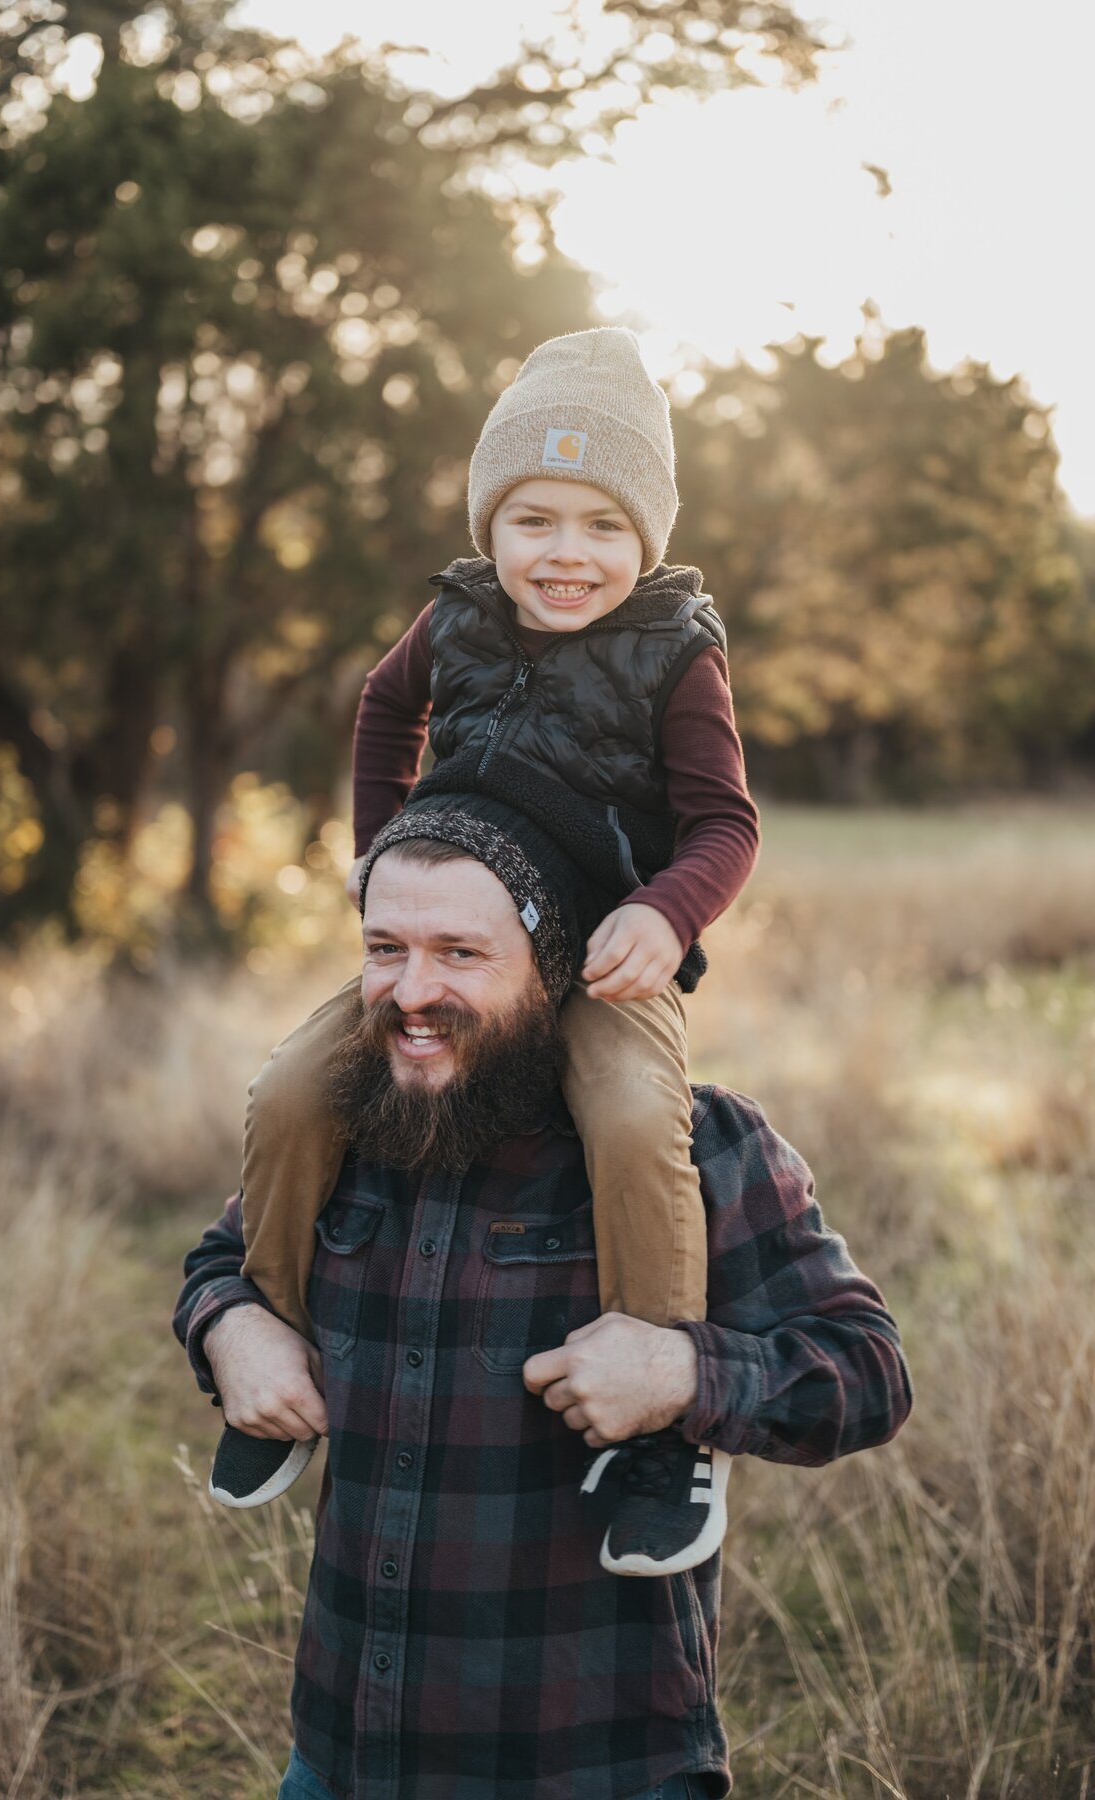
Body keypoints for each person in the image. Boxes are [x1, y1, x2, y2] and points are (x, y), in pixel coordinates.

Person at [173, 810, 913, 1800]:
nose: (412, 991)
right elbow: (223, 1260)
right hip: (344, 1756)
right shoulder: (347, 1135)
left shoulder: (693, 1149)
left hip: (597, 1766)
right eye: (385, 949)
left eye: (461, 953)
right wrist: (230, 1325)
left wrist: (682, 1373)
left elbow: (867, 1369)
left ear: (551, 970)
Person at [218, 327, 761, 1577]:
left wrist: (668, 913)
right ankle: (274, 1334)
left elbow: (726, 823)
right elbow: (379, 707)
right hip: (447, 933)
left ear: (647, 539)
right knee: (292, 1089)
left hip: (597, 952)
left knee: (631, 1117)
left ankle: (667, 1427)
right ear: (491, 525)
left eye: (601, 526)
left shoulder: (678, 649)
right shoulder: (454, 617)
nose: (566, 554)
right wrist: (374, 856)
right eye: (532, 520)